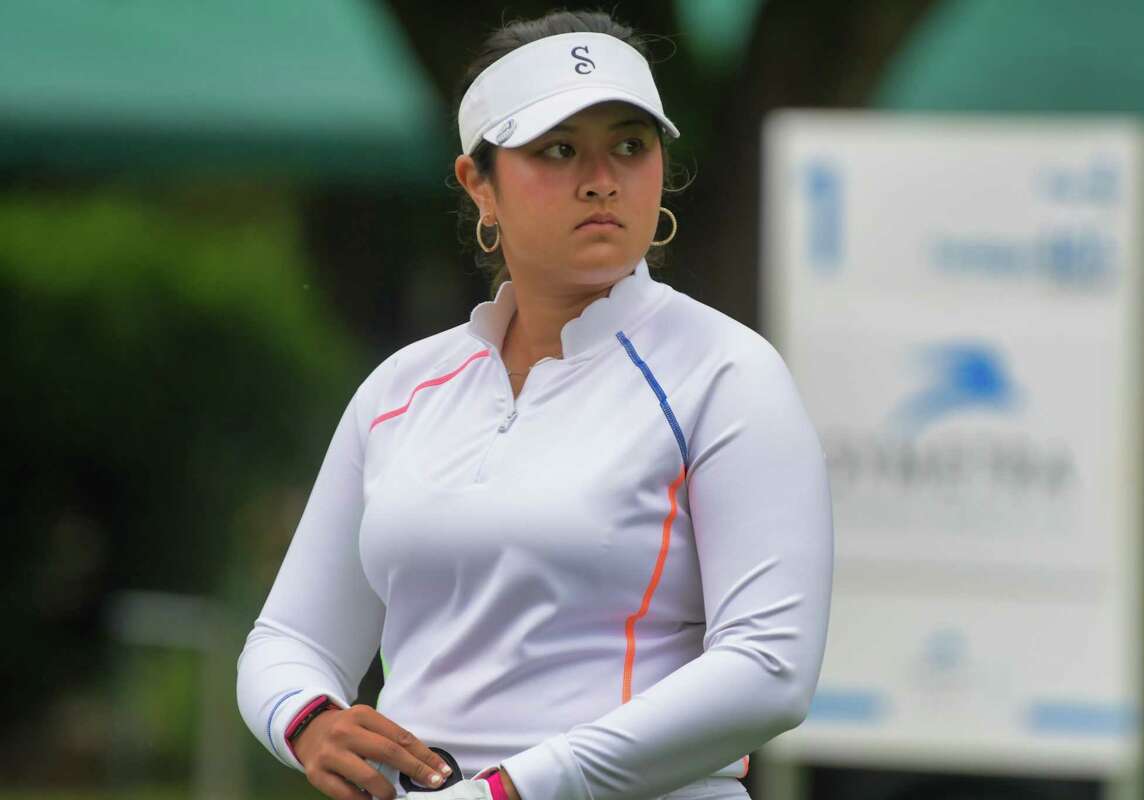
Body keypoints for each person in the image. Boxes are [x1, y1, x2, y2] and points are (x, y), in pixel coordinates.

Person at [235, 9, 833, 800]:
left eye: (630, 144)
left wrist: (513, 789)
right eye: (558, 149)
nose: (601, 177)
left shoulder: (728, 374)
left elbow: (770, 669)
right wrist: (307, 719)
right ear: (477, 183)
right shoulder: (399, 391)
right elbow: (290, 636)